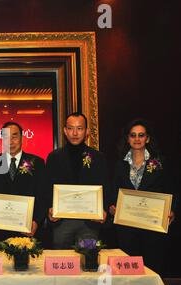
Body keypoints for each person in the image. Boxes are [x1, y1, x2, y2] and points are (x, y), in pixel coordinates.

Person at [109, 119, 177, 275]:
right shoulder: (120, 164)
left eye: (141, 135)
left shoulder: (160, 162)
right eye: (133, 135)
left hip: (152, 227)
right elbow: (113, 190)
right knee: (128, 269)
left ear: (148, 138)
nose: (137, 139)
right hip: (127, 228)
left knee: (151, 269)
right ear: (127, 138)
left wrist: (172, 210)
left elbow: (172, 190)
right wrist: (112, 206)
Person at [0, 122, 46, 249]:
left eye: (14, 136)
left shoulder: (37, 163)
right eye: (6, 137)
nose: (11, 141)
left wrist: (36, 221)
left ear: (22, 138)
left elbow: (42, 195)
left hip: (26, 232)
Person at [46, 112, 109, 249]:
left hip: (90, 221)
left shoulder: (98, 157)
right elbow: (47, 187)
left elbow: (105, 187)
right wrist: (49, 209)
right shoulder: (54, 157)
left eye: (79, 128)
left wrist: (103, 210)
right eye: (70, 128)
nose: (75, 133)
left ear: (86, 131)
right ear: (64, 131)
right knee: (61, 262)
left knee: (88, 260)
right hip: (62, 220)